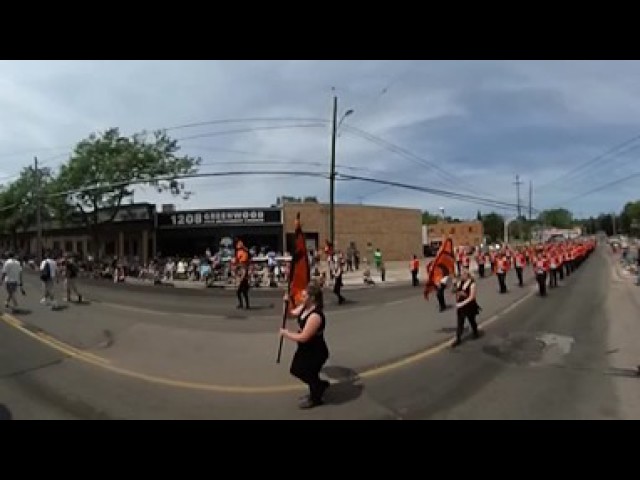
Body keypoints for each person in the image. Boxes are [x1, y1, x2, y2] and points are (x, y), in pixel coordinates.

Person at [280, 281, 330, 409]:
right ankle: (319, 385)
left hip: (315, 352)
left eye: (304, 295)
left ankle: (316, 397)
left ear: (312, 298)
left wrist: (286, 334)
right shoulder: (304, 307)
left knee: (305, 372)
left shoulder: (315, 316)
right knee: (298, 370)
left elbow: (304, 337)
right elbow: (290, 314)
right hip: (306, 350)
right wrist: (286, 302)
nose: (301, 297)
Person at [452, 267, 481, 347]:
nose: (461, 276)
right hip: (461, 306)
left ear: (466, 275)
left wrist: (462, 303)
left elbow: (472, 297)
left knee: (472, 320)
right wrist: (454, 284)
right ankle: (458, 339)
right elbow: (454, 291)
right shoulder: (460, 282)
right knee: (460, 323)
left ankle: (475, 332)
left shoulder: (472, 283)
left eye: (462, 275)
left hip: (469, 306)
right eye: (460, 275)